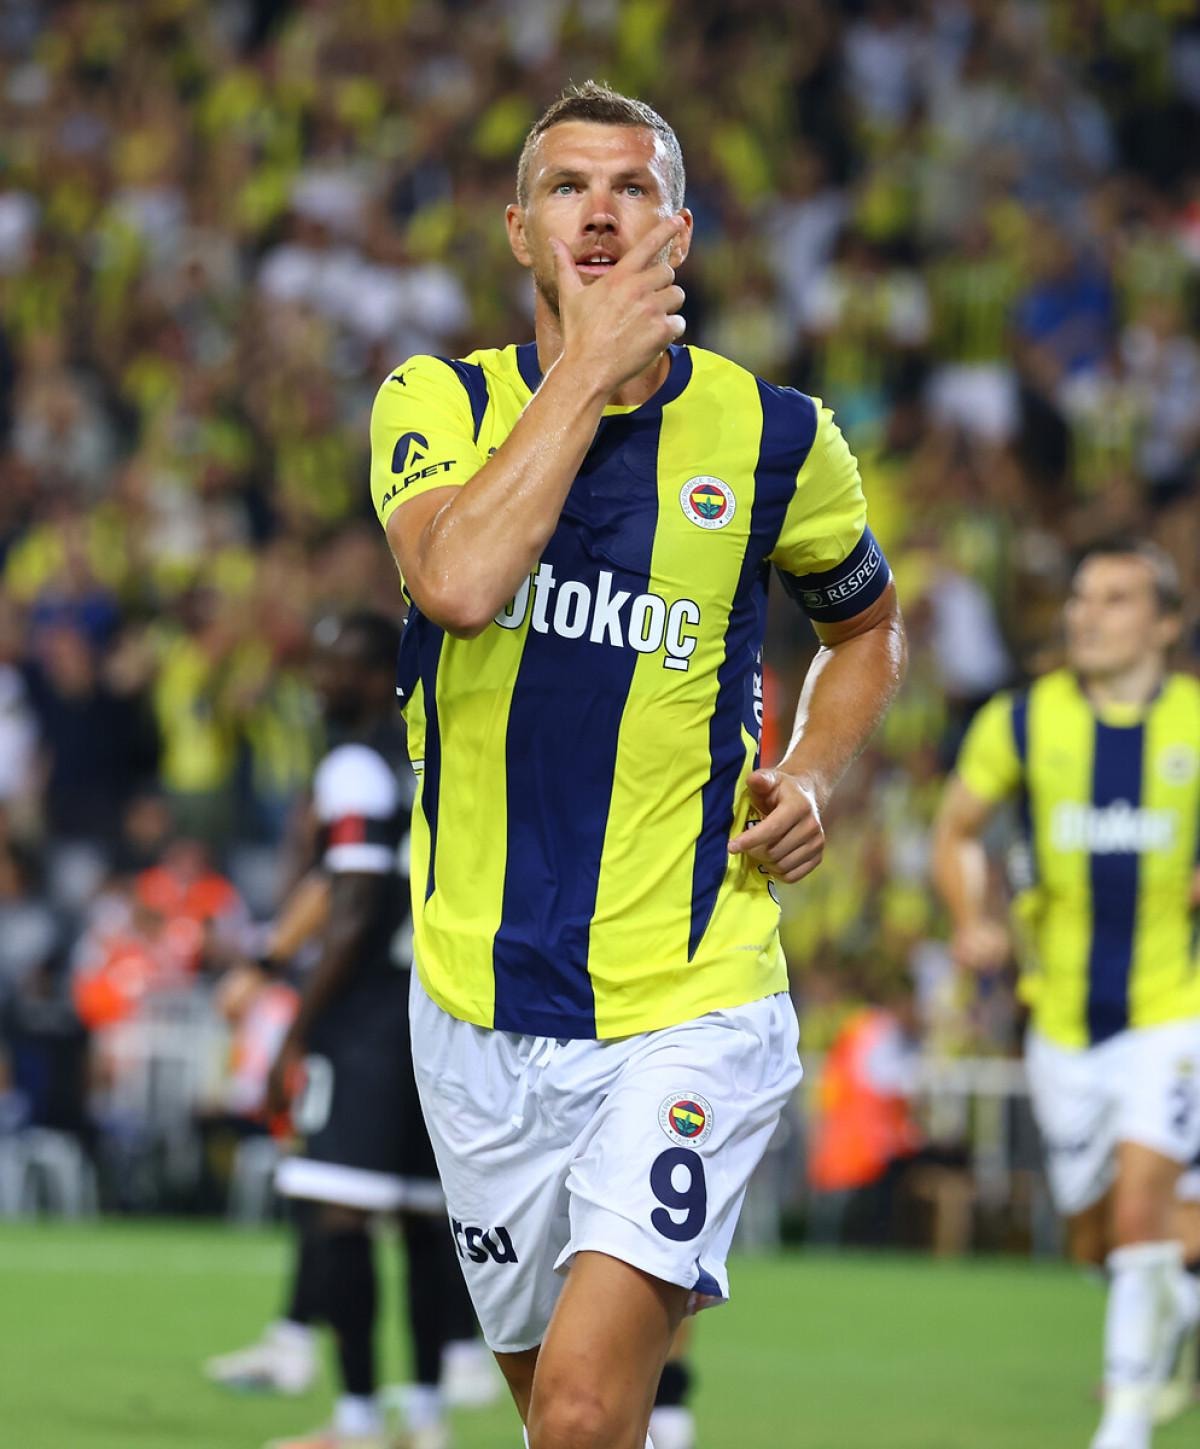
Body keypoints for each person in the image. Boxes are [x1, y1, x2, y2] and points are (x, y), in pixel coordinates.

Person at [368, 82, 905, 1449]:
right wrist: (586, 370)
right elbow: (460, 584)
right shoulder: (435, 402)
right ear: (518, 230)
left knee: (581, 1414)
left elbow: (867, 630)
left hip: (690, 996)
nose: (600, 211)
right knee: (557, 1418)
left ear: (679, 230)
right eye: (567, 187)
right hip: (475, 1009)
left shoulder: (782, 437)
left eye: (632, 187)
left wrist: (814, 773)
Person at [932, 540, 1200, 1449]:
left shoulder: (1194, 723)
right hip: (1060, 1023)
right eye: (1082, 596)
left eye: (1117, 599)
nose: (1087, 613)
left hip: (1171, 1010)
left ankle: (1126, 1420)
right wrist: (971, 916)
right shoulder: (1021, 721)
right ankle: (1176, 1302)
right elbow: (957, 830)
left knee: (1141, 1205)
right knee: (1095, 1238)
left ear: (1166, 623)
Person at [208, 613, 483, 1449]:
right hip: (437, 1006)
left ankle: (358, 1419)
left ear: (372, 675)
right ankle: (426, 1419)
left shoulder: (355, 766)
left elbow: (355, 903)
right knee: (422, 1218)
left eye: (334, 666)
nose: (318, 681)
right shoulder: (429, 754)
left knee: (339, 1213)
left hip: (365, 1021)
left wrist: (298, 1026)